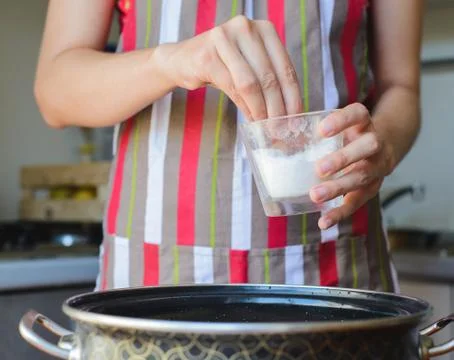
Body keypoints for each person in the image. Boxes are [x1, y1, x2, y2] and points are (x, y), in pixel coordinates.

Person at [35, 0, 422, 292]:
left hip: (333, 274)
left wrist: (383, 142)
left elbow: (401, 88)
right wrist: (169, 63)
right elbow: (55, 90)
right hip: (153, 278)